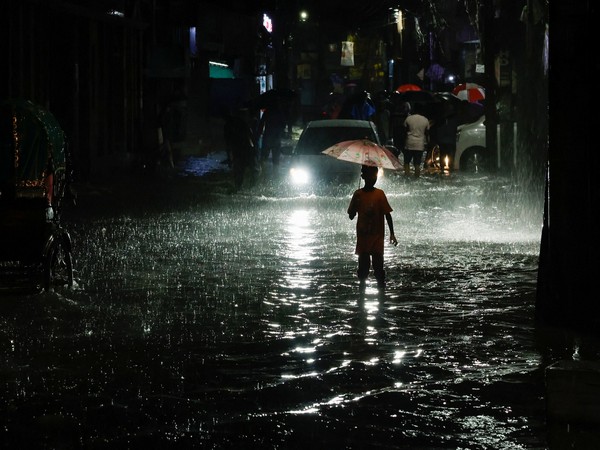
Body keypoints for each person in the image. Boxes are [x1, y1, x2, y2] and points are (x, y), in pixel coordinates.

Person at [347, 165, 398, 288]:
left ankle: (380, 292)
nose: (373, 179)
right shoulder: (358, 194)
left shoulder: (380, 194)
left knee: (379, 269)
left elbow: (388, 215)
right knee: (363, 270)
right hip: (363, 239)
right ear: (363, 177)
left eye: (375, 176)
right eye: (370, 175)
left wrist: (392, 233)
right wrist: (354, 207)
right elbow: (351, 216)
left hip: (377, 239)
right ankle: (362, 293)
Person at [223, 107, 258, 190]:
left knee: (239, 172)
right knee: (253, 169)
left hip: (239, 151)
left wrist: (229, 157)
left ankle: (239, 188)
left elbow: (227, 143)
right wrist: (254, 149)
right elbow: (251, 136)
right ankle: (251, 187)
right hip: (246, 149)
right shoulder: (241, 122)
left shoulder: (228, 126)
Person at [403, 103, 430, 177]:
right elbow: (427, 133)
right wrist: (428, 143)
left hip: (409, 143)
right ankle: (416, 178)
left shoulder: (409, 118)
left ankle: (407, 176)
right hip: (419, 144)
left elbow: (404, 130)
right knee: (417, 164)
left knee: (407, 162)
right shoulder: (425, 120)